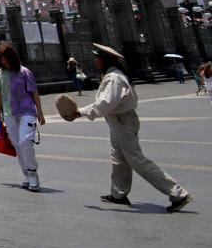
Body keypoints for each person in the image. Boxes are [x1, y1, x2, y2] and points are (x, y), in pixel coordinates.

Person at [73, 43, 193, 212]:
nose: (95, 60)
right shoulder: (112, 75)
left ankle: (178, 194)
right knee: (118, 158)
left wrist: (80, 112)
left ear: (104, 60)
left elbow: (106, 103)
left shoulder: (114, 78)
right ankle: (118, 194)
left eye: (97, 57)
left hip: (122, 121)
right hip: (118, 120)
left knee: (137, 160)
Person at [0, 42, 45, 192]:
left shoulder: (24, 72)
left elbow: (34, 92)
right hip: (9, 113)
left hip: (27, 112)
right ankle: (26, 174)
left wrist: (40, 112)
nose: (4, 61)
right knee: (17, 144)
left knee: (25, 141)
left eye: (6, 58)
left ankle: (33, 172)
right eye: (1, 59)